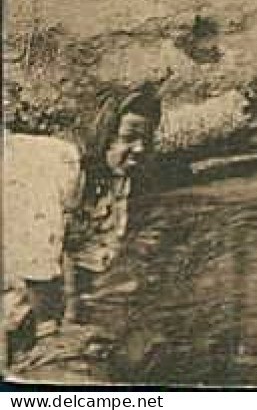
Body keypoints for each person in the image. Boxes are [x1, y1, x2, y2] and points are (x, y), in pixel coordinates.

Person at [5, 83, 163, 359]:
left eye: (146, 140)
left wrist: (77, 321)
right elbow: (36, 260)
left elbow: (93, 257)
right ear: (102, 134)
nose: (139, 149)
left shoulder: (113, 178)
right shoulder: (55, 163)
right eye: (129, 137)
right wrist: (50, 333)